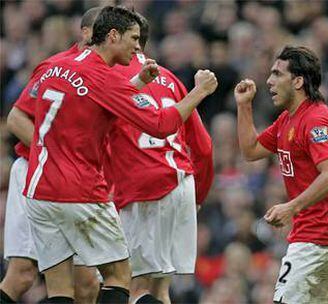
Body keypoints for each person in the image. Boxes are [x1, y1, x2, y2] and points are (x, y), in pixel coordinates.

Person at [22, 6, 217, 304]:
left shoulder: (57, 67)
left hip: (39, 190)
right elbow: (160, 124)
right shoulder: (104, 78)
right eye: (134, 38)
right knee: (120, 278)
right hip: (79, 191)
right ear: (113, 36)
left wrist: (138, 82)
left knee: (60, 288)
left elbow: (96, 107)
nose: (139, 46)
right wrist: (199, 92)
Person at [234, 45, 328, 303]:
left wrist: (291, 207)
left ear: (299, 81)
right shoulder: (287, 120)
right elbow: (251, 150)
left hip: (321, 236)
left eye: (278, 74)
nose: (269, 81)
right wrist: (244, 106)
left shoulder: (316, 119)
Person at [109, 14, 214, 304]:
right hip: (181, 182)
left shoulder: (111, 78)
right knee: (160, 289)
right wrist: (198, 196)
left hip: (145, 186)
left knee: (134, 288)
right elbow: (203, 147)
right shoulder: (171, 78)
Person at [1, 8, 102, 304]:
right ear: (86, 34)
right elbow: (17, 120)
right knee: (22, 274)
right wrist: (55, 156)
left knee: (87, 284)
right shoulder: (56, 68)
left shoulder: (118, 75)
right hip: (36, 172)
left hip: (84, 181)